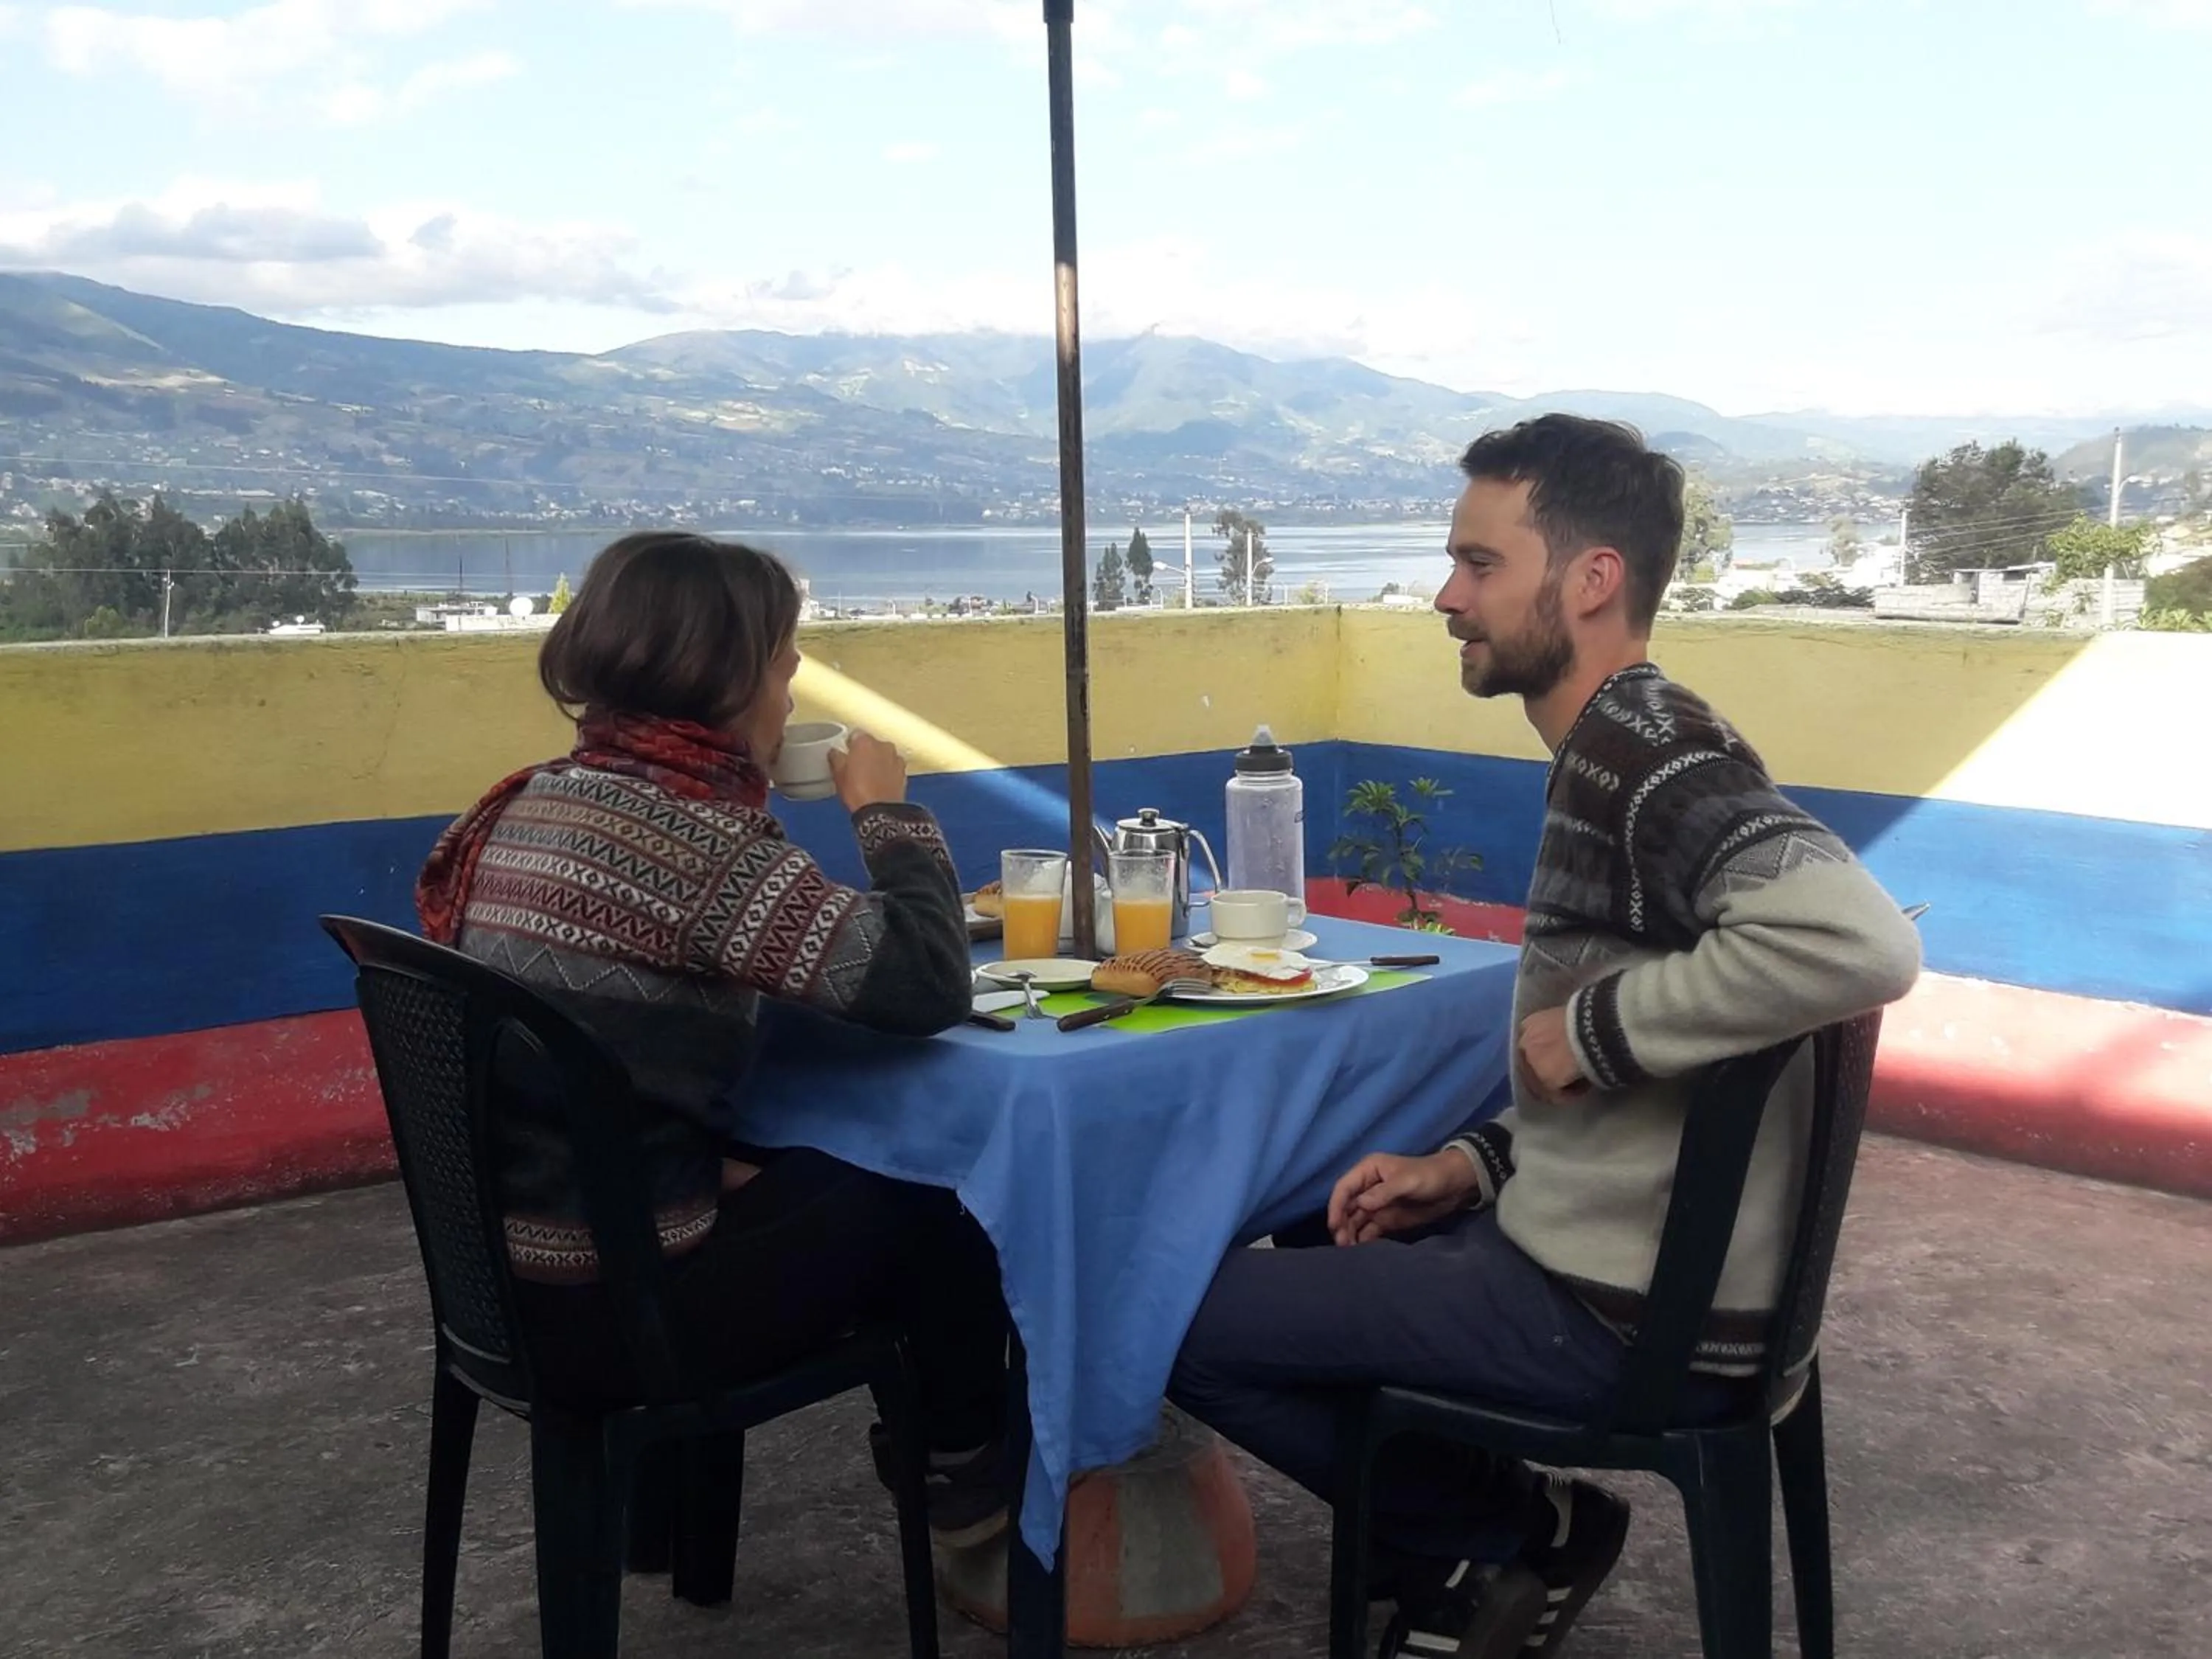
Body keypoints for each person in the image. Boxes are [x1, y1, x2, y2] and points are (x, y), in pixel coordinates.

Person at [1167, 416, 1923, 1658]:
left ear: (1591, 579)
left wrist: (1595, 1025)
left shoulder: (1648, 753)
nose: (1445, 596)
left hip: (1615, 1314)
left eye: (1479, 564)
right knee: (1327, 1222)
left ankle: (1502, 1536)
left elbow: (1864, 941)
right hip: (1638, 1268)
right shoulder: (1628, 741)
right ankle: (1491, 1530)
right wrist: (1471, 1165)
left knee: (1169, 1319)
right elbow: (1642, 1096)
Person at [414, 530, 1009, 1546]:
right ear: (728, 680)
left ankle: (666, 1515)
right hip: (617, 1313)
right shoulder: (699, 845)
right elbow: (924, 982)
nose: (789, 696)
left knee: (797, 1159)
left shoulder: (527, 800)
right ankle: (963, 1472)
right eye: (783, 669)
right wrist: (887, 812)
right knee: (943, 1189)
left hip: (500, 1282)